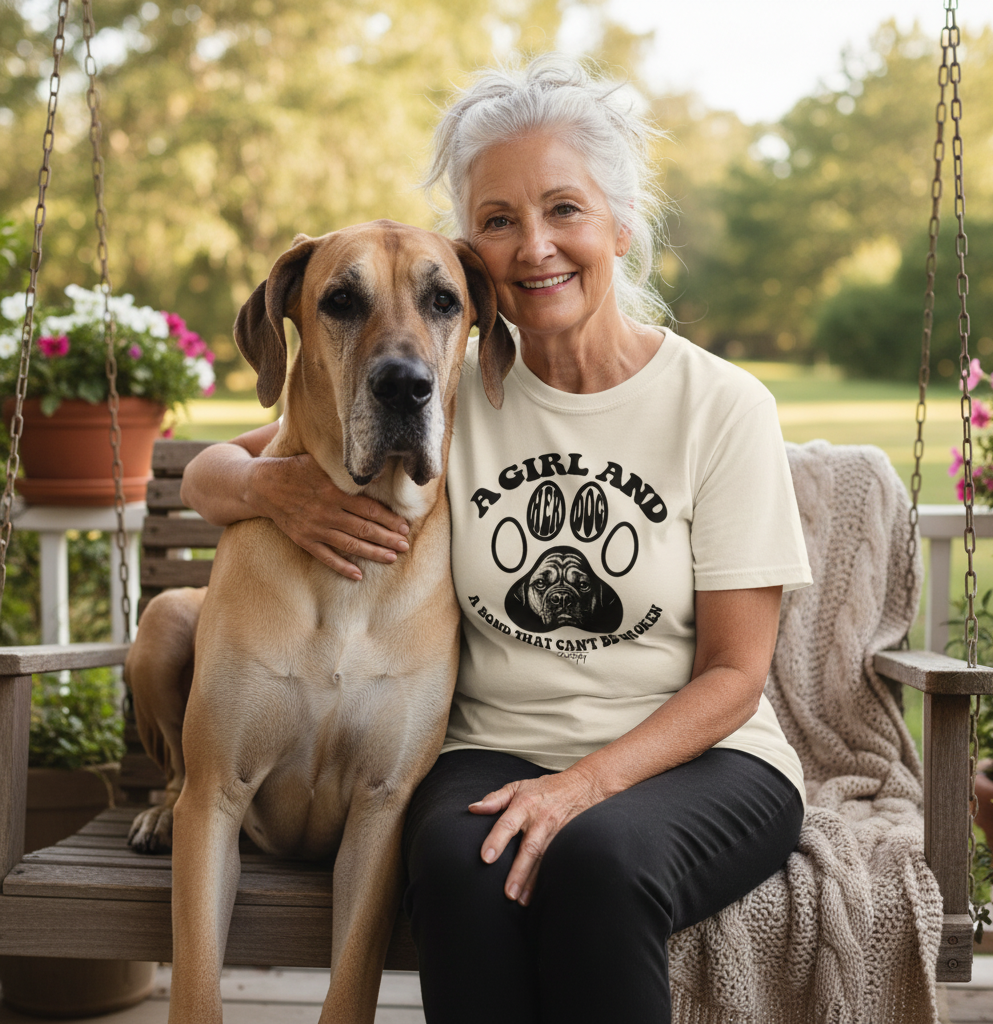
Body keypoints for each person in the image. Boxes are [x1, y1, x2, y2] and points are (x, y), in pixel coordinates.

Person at [181, 54, 812, 1024]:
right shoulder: (443, 391)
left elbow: (735, 674)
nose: (535, 246)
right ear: (472, 250)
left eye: (564, 208)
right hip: (492, 751)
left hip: (699, 760)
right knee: (457, 863)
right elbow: (218, 469)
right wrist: (280, 491)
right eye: (499, 219)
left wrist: (579, 788)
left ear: (620, 223)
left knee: (596, 861)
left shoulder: (719, 405)